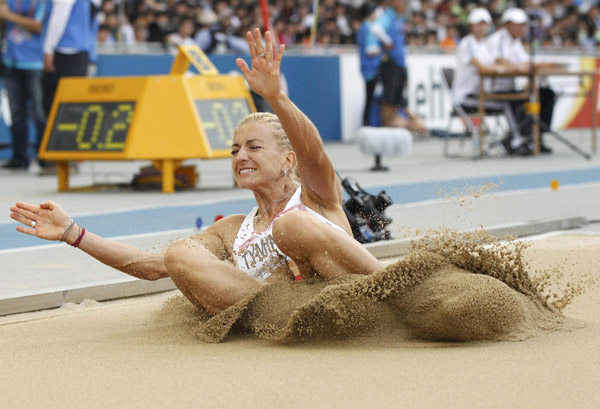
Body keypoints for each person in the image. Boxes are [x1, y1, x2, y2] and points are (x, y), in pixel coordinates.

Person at [10, 29, 383, 315]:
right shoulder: (234, 230)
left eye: (254, 147)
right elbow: (155, 267)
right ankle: (279, 318)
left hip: (357, 301)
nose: (241, 157)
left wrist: (276, 97)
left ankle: (391, 296)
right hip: (289, 314)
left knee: (292, 226)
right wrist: (73, 233)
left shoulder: (317, 195)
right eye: (235, 149)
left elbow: (314, 153)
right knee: (180, 253)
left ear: (287, 160)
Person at [487, 7, 556, 156]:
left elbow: (525, 63)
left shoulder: (516, 42)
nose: (522, 28)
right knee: (516, 101)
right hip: (496, 88)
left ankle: (538, 136)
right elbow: (500, 62)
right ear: (507, 25)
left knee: (546, 94)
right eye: (518, 24)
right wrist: (527, 66)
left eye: (523, 24)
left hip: (510, 86)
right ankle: (517, 140)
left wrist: (535, 67)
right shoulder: (497, 39)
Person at [0, 0, 47, 170]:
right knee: (16, 115)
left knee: (39, 113)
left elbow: (39, 26)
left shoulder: (42, 2)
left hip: (35, 63)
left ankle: (44, 158)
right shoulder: (10, 2)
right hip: (11, 63)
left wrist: (8, 15)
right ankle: (19, 158)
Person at [372, 0, 427, 135]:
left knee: (396, 99)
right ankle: (386, 128)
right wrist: (387, 41)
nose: (404, 4)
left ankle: (393, 127)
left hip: (399, 63)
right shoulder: (388, 16)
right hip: (391, 62)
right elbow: (375, 29)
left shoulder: (400, 17)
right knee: (389, 98)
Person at [42, 0, 94, 115]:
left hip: (66, 52)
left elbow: (59, 18)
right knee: (70, 105)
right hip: (79, 50)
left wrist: (48, 49)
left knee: (57, 106)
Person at [356, 1, 382, 126]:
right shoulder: (368, 28)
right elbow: (370, 50)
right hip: (371, 68)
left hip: (367, 67)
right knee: (370, 98)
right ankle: (367, 124)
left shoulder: (363, 27)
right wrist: (383, 50)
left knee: (370, 98)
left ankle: (367, 124)